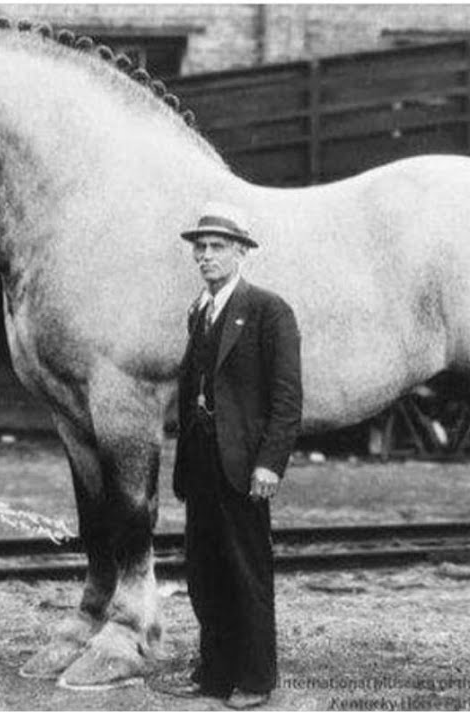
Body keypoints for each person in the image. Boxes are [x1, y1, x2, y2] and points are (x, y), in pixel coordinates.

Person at [165, 201, 303, 710]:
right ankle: (215, 671)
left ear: (241, 252)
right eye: (199, 248)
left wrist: (271, 462)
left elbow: (287, 399)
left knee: (247, 569)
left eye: (217, 247)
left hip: (245, 463)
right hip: (201, 459)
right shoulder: (199, 312)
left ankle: (255, 677)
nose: (205, 256)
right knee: (204, 568)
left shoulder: (269, 311)